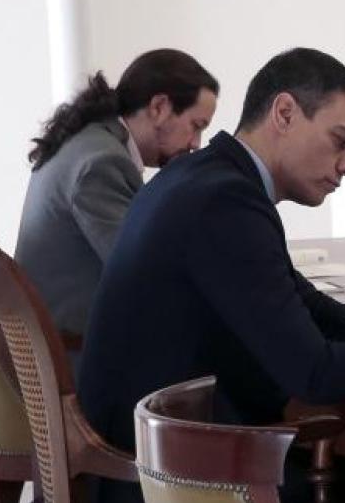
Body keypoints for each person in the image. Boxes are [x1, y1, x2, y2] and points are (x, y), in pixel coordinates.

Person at [77, 48, 345, 503]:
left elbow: (299, 298)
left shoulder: (209, 179)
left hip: (153, 471)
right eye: (341, 141)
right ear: (285, 113)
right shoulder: (223, 200)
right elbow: (313, 372)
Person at [15, 49, 218, 344]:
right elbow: (148, 275)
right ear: (159, 107)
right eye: (196, 126)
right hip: (80, 354)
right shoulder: (102, 163)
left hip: (64, 345)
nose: (196, 144)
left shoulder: (89, 143)